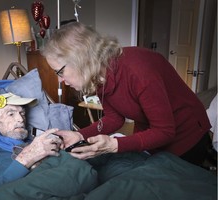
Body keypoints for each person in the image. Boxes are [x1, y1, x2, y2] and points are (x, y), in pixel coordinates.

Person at [41, 22, 211, 166]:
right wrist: (80, 134)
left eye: (60, 72)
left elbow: (165, 131)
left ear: (80, 59)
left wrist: (114, 145)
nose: (61, 80)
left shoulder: (138, 71)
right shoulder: (98, 76)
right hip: (153, 136)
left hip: (187, 135)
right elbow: (114, 118)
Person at [0, 93, 62, 200]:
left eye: (22, 113)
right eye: (11, 114)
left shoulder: (36, 140)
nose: (21, 119)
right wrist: (26, 159)